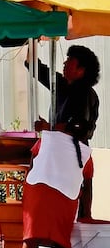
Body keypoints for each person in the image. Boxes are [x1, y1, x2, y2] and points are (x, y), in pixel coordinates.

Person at [32, 44, 100, 220]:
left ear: (81, 70)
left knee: (72, 210)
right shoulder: (61, 86)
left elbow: (78, 127)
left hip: (75, 158)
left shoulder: (85, 93)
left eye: (70, 60)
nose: (64, 62)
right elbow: (36, 68)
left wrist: (49, 128)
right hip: (61, 156)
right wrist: (32, 41)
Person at [22, 129, 94, 248]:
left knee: (32, 239)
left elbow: (31, 166)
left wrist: (26, 194)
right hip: (65, 199)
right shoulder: (86, 153)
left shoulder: (46, 138)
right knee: (63, 243)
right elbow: (87, 189)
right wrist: (87, 216)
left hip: (37, 191)